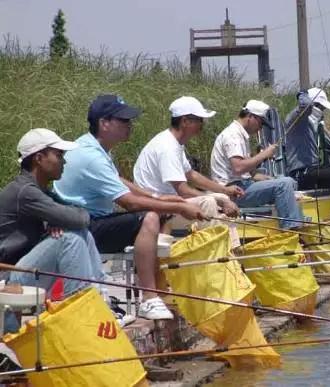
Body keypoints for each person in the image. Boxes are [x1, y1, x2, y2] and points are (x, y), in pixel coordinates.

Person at [55, 95, 204, 320]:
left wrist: (165, 200)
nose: (129, 125)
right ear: (104, 123)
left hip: (90, 221)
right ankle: (149, 298)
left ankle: (159, 291)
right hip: (81, 228)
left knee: (154, 213)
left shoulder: (95, 147)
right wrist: (176, 207)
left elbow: (120, 182)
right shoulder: (91, 155)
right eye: (123, 121)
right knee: (149, 218)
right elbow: (128, 202)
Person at [0, 128, 104, 299]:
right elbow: (80, 218)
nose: (64, 162)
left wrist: (57, 221)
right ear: (39, 159)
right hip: (8, 279)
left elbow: (78, 215)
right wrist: (62, 220)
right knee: (69, 239)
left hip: (22, 271)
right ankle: (81, 305)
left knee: (78, 233)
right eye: (59, 155)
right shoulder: (26, 192)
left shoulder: (41, 191)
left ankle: (100, 298)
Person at [133, 96, 243, 247]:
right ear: (185, 121)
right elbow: (183, 190)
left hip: (169, 202)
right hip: (156, 207)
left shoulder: (175, 143)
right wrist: (219, 200)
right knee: (209, 202)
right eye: (199, 120)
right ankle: (217, 255)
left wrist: (224, 191)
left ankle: (231, 252)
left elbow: (192, 175)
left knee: (220, 197)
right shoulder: (167, 147)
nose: (202, 125)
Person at [210, 100, 305, 230]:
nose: (261, 128)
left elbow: (251, 174)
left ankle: (297, 224)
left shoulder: (240, 135)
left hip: (243, 185)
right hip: (234, 191)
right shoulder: (233, 135)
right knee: (284, 184)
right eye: (261, 123)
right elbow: (238, 168)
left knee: (288, 181)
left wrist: (270, 179)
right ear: (250, 117)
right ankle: (292, 228)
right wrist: (264, 154)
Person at [284, 88, 330, 217]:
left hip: (314, 170)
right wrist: (302, 93)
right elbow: (304, 106)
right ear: (314, 105)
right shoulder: (297, 119)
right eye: (321, 108)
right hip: (302, 173)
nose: (323, 112)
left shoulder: (316, 125)